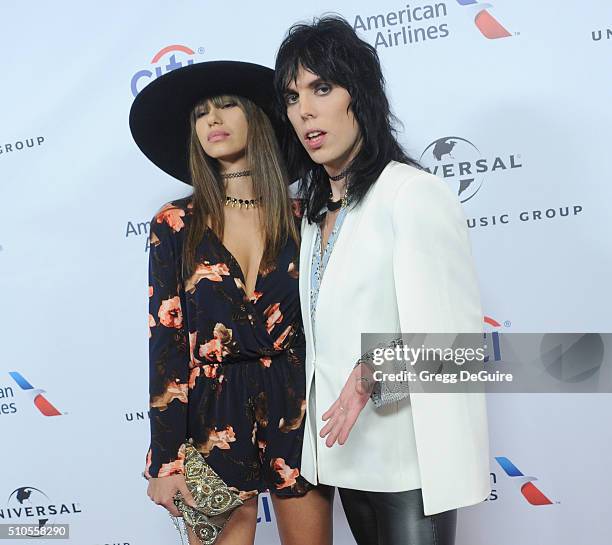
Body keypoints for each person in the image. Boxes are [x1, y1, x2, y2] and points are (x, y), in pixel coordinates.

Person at [274, 16, 491, 545]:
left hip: (411, 460)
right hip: (347, 457)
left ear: (360, 94)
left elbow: (458, 347)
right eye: (292, 95)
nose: (305, 110)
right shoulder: (311, 213)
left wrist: (374, 368)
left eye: (322, 88)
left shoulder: (412, 194)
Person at [129, 61, 333, 545]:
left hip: (296, 404)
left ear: (257, 117)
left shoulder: (307, 218)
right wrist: (166, 459)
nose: (212, 120)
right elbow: (167, 345)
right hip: (210, 412)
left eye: (226, 107)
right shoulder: (175, 223)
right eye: (200, 114)